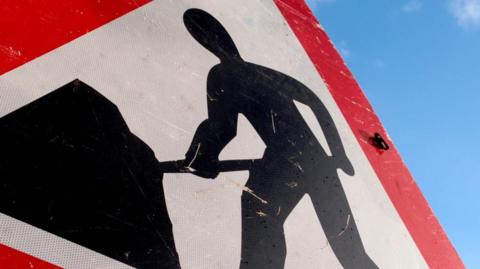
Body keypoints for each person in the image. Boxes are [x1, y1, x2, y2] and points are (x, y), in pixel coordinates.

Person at [182, 8, 377, 269]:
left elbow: (223, 128)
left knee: (257, 214)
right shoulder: (261, 72)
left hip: (284, 161)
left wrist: (200, 158)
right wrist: (336, 153)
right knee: (350, 250)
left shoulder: (222, 75)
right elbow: (315, 102)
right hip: (319, 161)